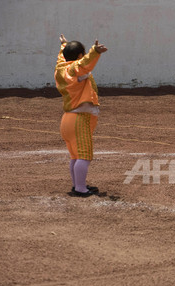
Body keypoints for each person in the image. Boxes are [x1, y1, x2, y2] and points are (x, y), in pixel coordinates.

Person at [55, 34, 107, 197]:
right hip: (79, 119)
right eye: (82, 54)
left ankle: (78, 185)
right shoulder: (74, 70)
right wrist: (95, 52)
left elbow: (61, 59)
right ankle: (80, 188)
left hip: (68, 120)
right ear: (79, 56)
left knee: (76, 156)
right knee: (84, 156)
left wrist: (64, 45)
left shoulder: (61, 69)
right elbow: (84, 65)